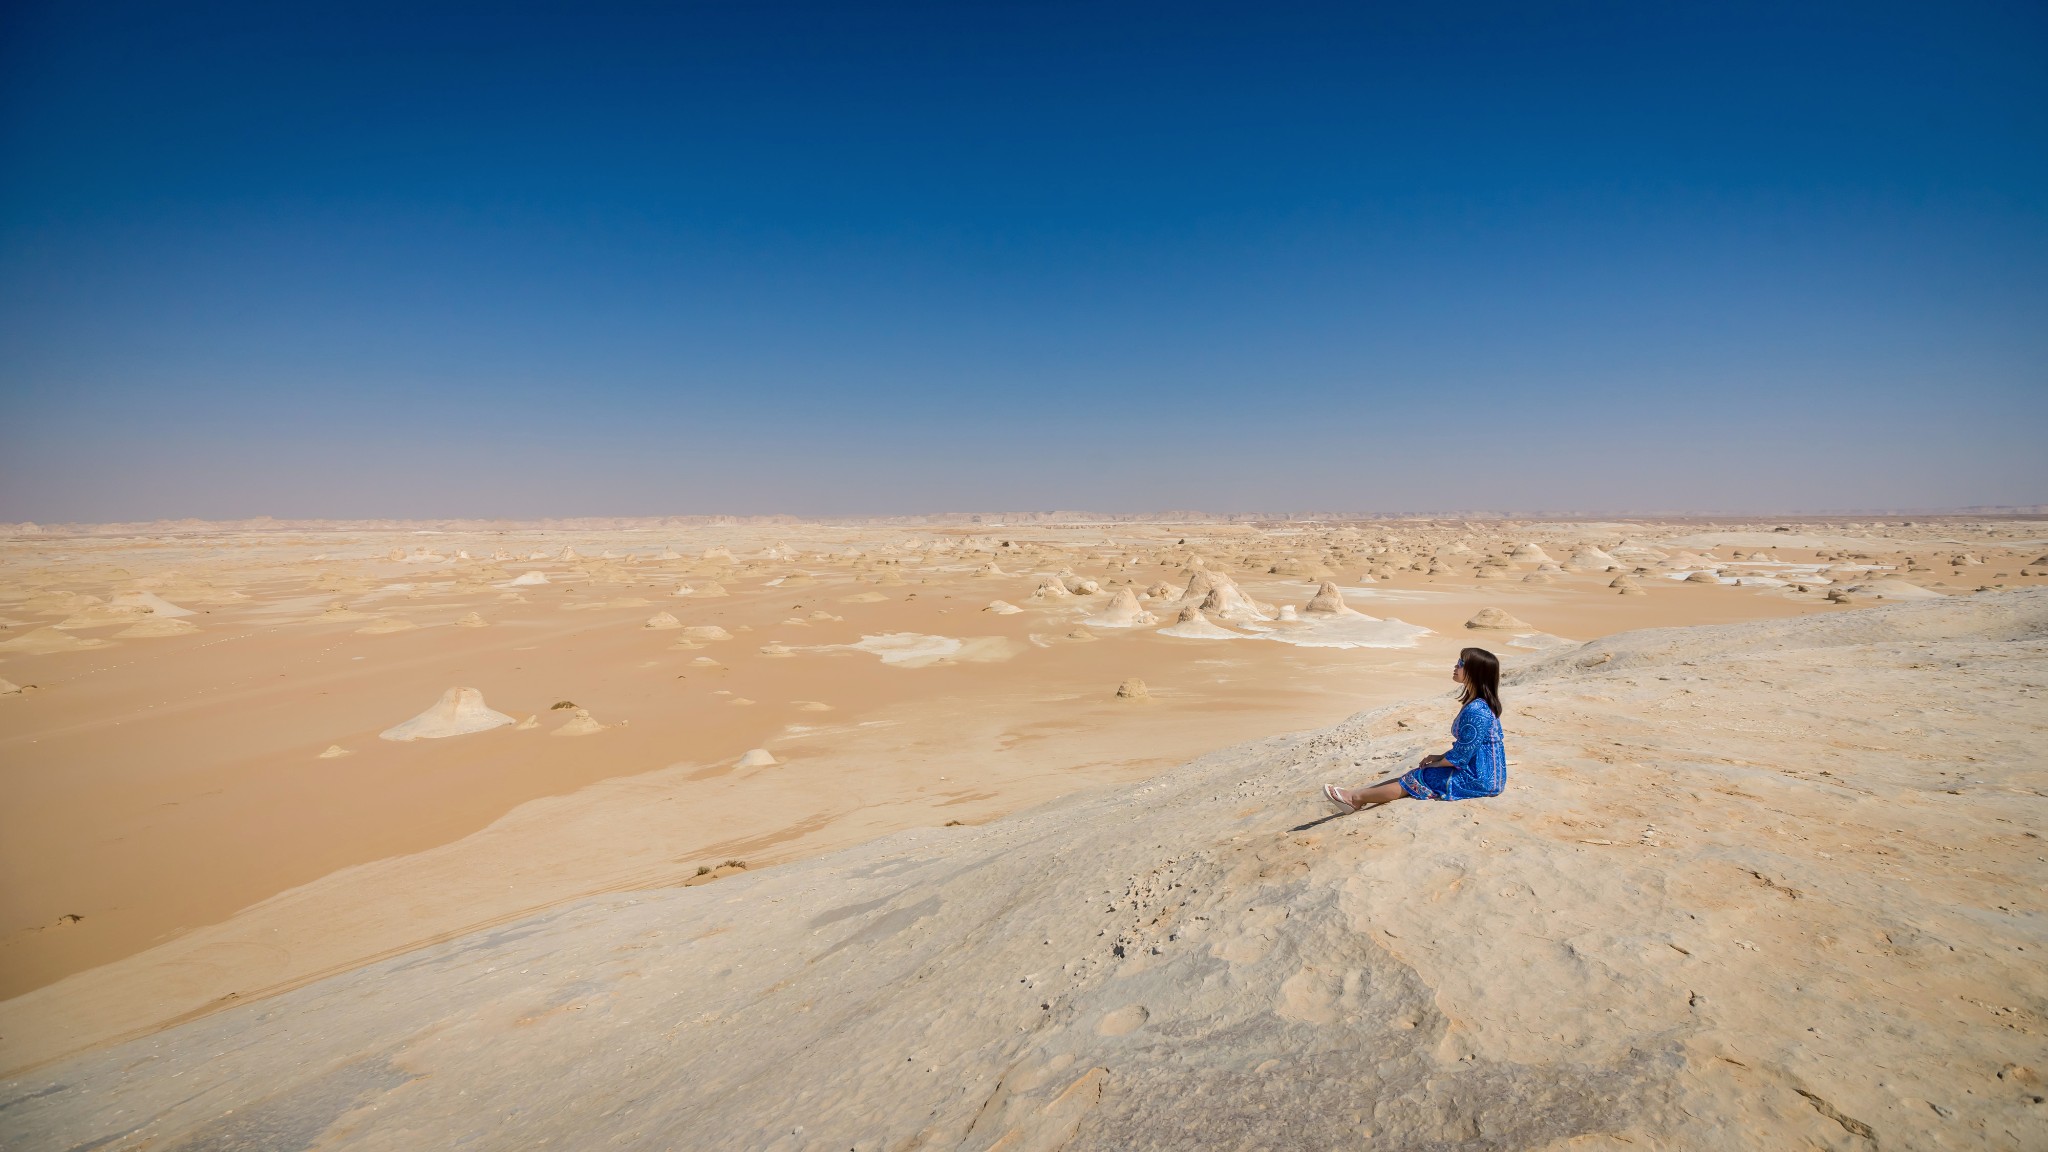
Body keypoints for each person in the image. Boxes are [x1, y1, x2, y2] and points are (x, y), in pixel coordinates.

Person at [1323, 647, 1506, 811]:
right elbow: (1468, 746)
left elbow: (1461, 755)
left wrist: (1437, 764)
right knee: (1418, 774)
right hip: (1481, 770)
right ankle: (1358, 795)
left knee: (1420, 777)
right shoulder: (1476, 704)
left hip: (1481, 779)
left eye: (1461, 663)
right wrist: (1440, 757)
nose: (1455, 666)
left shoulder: (1477, 711)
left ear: (1474, 672)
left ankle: (1355, 798)